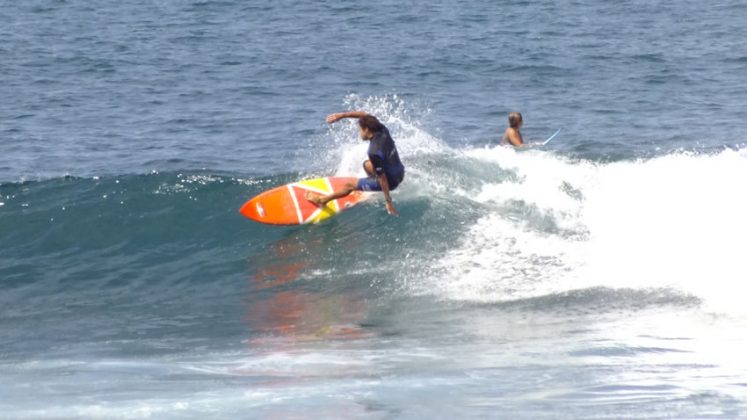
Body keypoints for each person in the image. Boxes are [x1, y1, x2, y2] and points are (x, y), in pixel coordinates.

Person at [305, 111, 404, 216]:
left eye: (360, 130)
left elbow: (383, 178)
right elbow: (365, 115)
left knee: (349, 185)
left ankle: (323, 200)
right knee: (366, 165)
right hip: (400, 172)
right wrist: (342, 115)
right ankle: (368, 184)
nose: (359, 133)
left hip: (391, 182)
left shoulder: (374, 151)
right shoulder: (382, 129)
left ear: (366, 129)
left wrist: (388, 201)